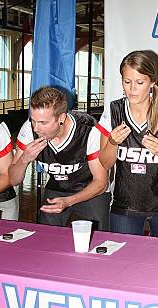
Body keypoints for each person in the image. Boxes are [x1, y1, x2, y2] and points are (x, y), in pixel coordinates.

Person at [97, 50, 158, 238]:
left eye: (139, 83)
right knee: (123, 263)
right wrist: (113, 142)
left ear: (152, 82)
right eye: (127, 82)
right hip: (124, 205)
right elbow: (105, 163)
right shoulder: (114, 110)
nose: (132, 89)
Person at [9, 86, 109, 230]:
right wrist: (24, 160)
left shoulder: (89, 130)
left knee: (97, 240)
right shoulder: (29, 130)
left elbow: (101, 183)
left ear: (61, 118)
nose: (36, 128)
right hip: (57, 186)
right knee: (46, 237)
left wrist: (68, 201)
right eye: (33, 120)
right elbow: (13, 179)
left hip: (91, 188)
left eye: (43, 122)